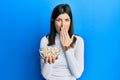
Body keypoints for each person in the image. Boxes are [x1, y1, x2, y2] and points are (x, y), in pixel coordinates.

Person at [39, 4, 84, 80]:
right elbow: (45, 75)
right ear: (53, 21)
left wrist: (67, 48)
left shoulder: (78, 41)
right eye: (59, 20)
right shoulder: (45, 40)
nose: (63, 25)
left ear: (70, 21)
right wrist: (48, 62)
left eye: (66, 20)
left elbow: (78, 73)